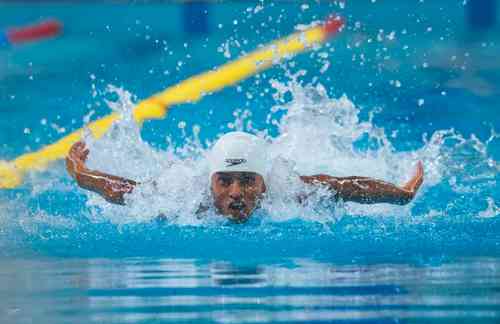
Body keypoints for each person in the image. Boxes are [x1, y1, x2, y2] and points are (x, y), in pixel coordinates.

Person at [66, 131, 424, 222]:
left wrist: (402, 193)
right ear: (210, 181)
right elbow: (127, 191)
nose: (236, 192)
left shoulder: (286, 190)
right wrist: (82, 175)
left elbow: (345, 187)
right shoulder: (185, 191)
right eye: (225, 181)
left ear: (263, 183)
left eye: (248, 181)